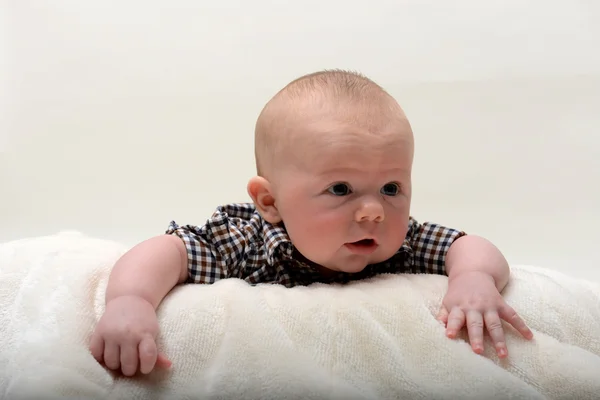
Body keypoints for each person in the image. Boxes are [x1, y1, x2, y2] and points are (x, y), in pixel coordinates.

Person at [89, 69, 534, 377]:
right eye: (341, 189)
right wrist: (131, 300)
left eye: (392, 188)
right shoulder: (245, 240)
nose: (374, 211)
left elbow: (468, 244)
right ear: (270, 201)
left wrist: (474, 276)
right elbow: (168, 250)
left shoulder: (401, 242)